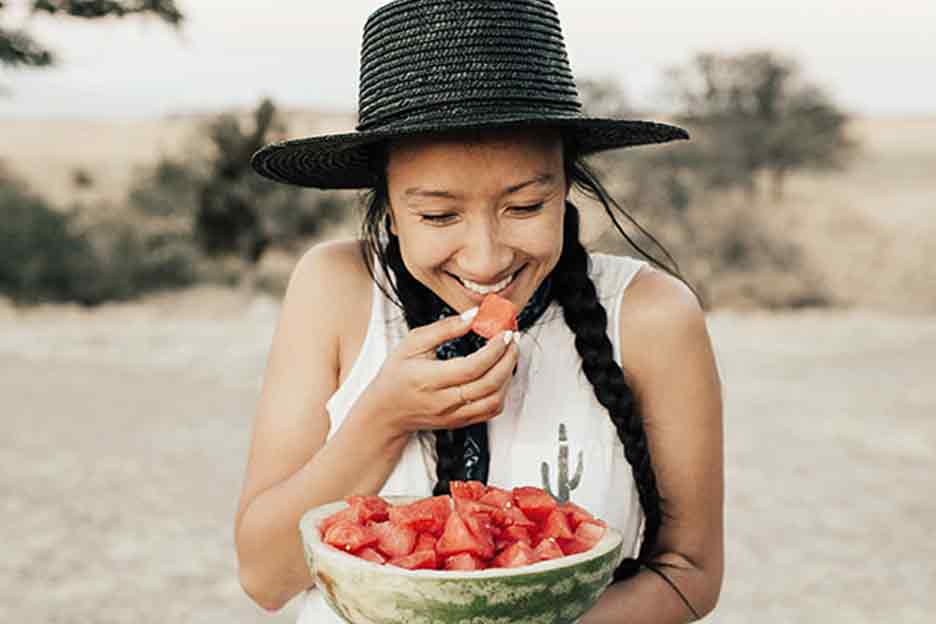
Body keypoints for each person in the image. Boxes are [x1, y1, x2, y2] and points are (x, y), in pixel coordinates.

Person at [235, 1, 724, 622]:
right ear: (386, 205)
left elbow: (691, 572)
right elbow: (263, 578)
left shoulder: (653, 316)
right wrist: (383, 419)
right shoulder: (333, 289)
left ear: (566, 187)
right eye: (439, 215)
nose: (487, 258)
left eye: (525, 207)